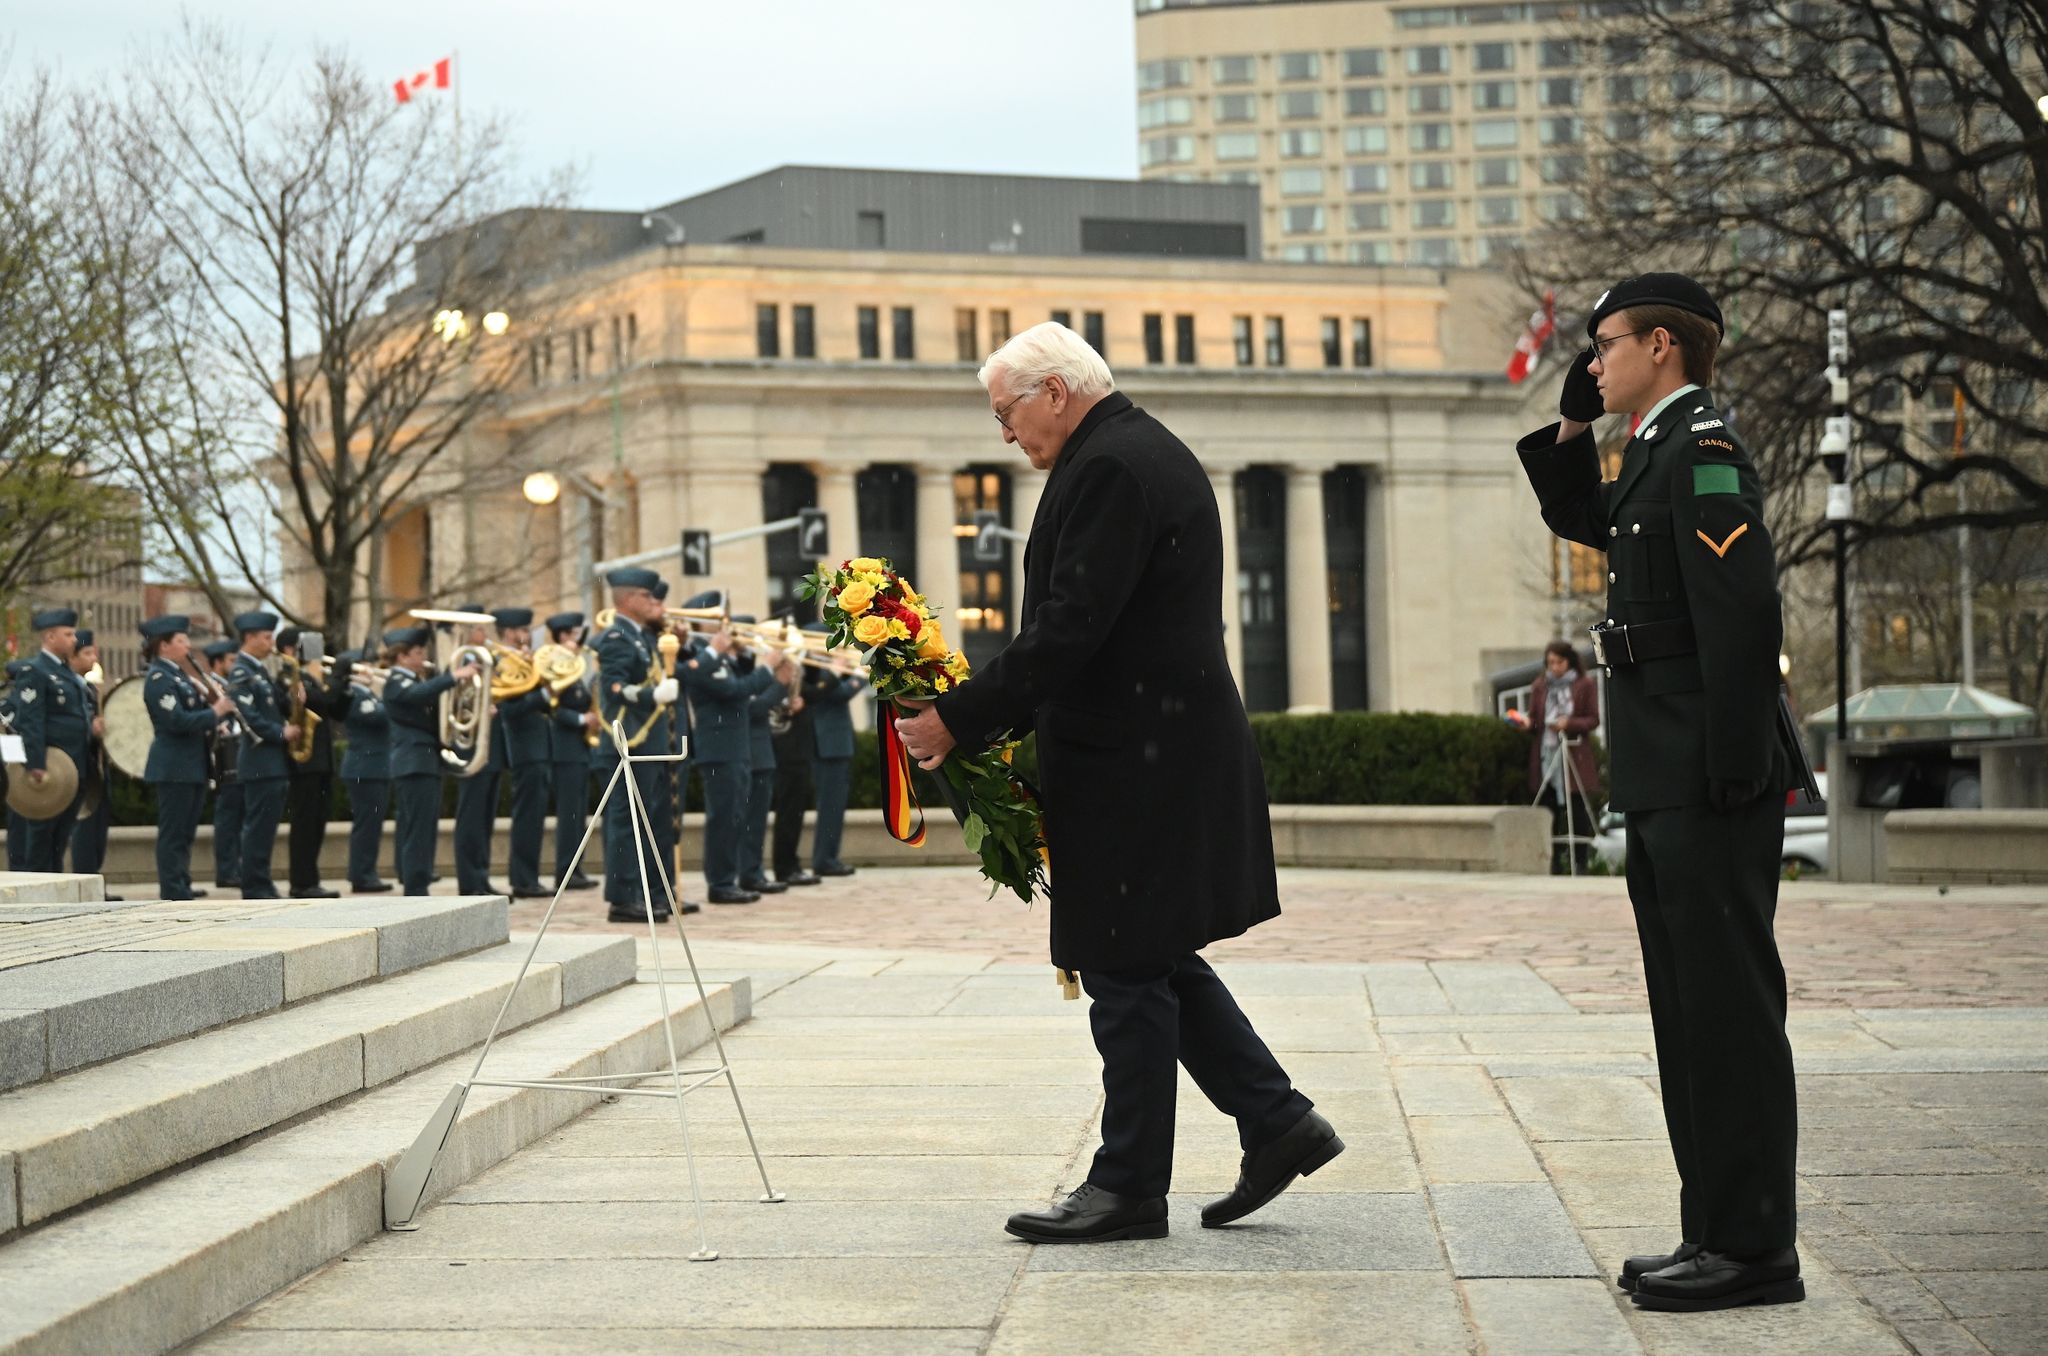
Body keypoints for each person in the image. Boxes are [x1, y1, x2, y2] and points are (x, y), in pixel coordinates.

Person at [895, 322, 1340, 1243]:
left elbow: (1070, 627)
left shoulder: (1109, 467)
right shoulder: (1133, 451)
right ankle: (1277, 1121)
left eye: (1007, 413)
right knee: (1150, 954)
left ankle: (1129, 1186)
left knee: (1125, 970)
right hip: (1155, 752)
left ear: (1055, 391)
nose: (1005, 435)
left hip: (1139, 763)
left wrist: (962, 717)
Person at [1516, 273, 1801, 1312]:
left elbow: (1740, 620)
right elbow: (1579, 512)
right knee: (1686, 1016)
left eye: (1606, 345)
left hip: (1706, 777)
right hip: (1667, 774)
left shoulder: (1706, 450)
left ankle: (1756, 1246)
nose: (1593, 362)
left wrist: (1733, 770)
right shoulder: (1650, 451)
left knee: (1726, 1015)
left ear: (1664, 347)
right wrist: (1569, 419)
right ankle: (1713, 1231)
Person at [594, 569, 682, 922]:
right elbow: (612, 688)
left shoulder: (641, 638)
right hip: (629, 742)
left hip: (650, 743)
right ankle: (623, 898)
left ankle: (650, 894)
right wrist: (651, 694)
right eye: (647, 596)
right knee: (627, 822)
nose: (653, 602)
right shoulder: (616, 637)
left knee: (652, 822)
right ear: (629, 599)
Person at [140, 615, 236, 900]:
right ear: (164, 646)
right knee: (174, 831)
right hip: (174, 765)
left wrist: (212, 721)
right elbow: (177, 721)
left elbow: (192, 717)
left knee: (186, 829)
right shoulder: (159, 678)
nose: (188, 646)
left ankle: (181, 879)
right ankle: (172, 887)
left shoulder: (180, 677)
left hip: (191, 763)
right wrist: (215, 713)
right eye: (181, 641)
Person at [382, 626, 479, 895]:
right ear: (402, 657)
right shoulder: (396, 682)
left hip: (424, 762)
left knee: (424, 829)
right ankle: (415, 888)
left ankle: (419, 882)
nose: (424, 656)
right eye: (418, 652)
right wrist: (452, 676)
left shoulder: (417, 681)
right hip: (413, 763)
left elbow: (436, 709)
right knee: (418, 831)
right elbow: (417, 696)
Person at [682, 608, 769, 906]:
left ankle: (726, 880)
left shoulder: (719, 658)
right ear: (700, 625)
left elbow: (740, 677)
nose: (725, 627)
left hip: (735, 747)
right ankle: (719, 883)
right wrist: (768, 669)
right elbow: (735, 690)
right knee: (723, 817)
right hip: (718, 749)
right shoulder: (700, 658)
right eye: (716, 622)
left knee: (734, 816)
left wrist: (744, 654)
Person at [11, 608, 93, 873]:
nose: (74, 639)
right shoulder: (35, 671)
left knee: (59, 840)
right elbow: (31, 721)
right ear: (50, 636)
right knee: (41, 841)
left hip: (73, 768)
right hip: (50, 770)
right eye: (68, 634)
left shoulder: (67, 673)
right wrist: (36, 764)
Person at [226, 611, 298, 899]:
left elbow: (274, 705)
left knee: (266, 828)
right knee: (257, 827)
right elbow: (249, 716)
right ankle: (254, 885)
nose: (271, 643)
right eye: (267, 638)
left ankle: (262, 881)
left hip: (272, 763)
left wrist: (293, 695)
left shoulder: (260, 670)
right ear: (250, 638)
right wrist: (280, 732)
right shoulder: (242, 671)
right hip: (259, 761)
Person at [488, 608, 554, 899]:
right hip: (524, 748)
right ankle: (523, 879)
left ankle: (529, 876)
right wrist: (541, 695)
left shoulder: (524, 660)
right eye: (521, 630)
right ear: (508, 631)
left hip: (539, 746)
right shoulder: (503, 663)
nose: (526, 635)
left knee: (535, 815)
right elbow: (510, 709)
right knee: (527, 816)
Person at [733, 617, 796, 897]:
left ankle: (754, 870)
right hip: (748, 749)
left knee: (757, 820)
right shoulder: (737, 671)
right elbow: (753, 709)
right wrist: (779, 685)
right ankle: (748, 872)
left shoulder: (751, 670)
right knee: (748, 820)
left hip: (761, 750)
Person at [277, 627, 340, 899]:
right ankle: (301, 882)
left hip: (320, 760)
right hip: (303, 762)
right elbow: (319, 701)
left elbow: (335, 705)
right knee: (304, 823)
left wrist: (340, 680)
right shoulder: (288, 676)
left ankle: (311, 879)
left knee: (317, 821)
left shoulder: (314, 676)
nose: (317, 654)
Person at [1528, 641, 1602, 874]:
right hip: (1547, 753)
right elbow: (1535, 719)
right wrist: (1527, 723)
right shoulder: (1541, 685)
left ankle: (1580, 862)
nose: (1555, 667)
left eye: (1559, 662)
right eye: (1550, 662)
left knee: (1577, 809)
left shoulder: (1583, 684)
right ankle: (1553, 862)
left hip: (1573, 754)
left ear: (1569, 661)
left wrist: (1568, 723)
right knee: (1548, 809)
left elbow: (1593, 719)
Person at [803, 630, 866, 881]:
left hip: (835, 743)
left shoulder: (825, 670)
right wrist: (858, 675)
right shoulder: (816, 669)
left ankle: (829, 857)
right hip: (827, 745)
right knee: (829, 805)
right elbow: (840, 693)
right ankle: (824, 859)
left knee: (835, 805)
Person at [544, 612, 600, 891]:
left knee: (579, 814)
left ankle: (575, 869)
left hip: (578, 749)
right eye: (573, 635)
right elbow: (554, 708)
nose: (577, 642)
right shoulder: (556, 667)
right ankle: (565, 872)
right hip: (564, 750)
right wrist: (582, 720)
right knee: (569, 816)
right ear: (563, 636)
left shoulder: (574, 669)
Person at [449, 602, 498, 894]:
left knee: (484, 818)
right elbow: (457, 699)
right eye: (480, 628)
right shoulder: (462, 660)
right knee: (471, 817)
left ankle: (481, 876)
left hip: (489, 746)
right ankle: (469, 881)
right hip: (469, 745)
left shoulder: (485, 658)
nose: (484, 633)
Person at [338, 647, 394, 893]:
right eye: (364, 666)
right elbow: (381, 716)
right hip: (364, 768)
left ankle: (366, 872)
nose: (370, 670)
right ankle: (361, 875)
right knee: (366, 824)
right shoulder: (353, 696)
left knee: (373, 824)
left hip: (375, 768)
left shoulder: (369, 695)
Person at [65, 629, 116, 894]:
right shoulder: (70, 686)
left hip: (95, 768)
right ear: (72, 657)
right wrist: (90, 728)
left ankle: (96, 883)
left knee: (97, 833)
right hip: (78, 768)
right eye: (87, 653)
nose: (93, 658)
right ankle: (86, 886)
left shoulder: (87, 688)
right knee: (84, 833)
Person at [769, 644, 821, 888]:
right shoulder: (774, 681)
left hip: (799, 752)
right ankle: (785, 867)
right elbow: (772, 712)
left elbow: (815, 691)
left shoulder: (797, 681)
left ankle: (791, 864)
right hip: (787, 753)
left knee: (795, 812)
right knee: (788, 812)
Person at [203, 639, 244, 888]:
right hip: (223, 758)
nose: (235, 664)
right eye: (230, 660)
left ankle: (234, 867)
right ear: (218, 662)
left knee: (237, 815)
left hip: (237, 753)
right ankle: (226, 870)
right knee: (228, 817)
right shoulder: (211, 687)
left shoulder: (229, 686)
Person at [2, 658, 36, 872]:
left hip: (28, 770)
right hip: (14, 771)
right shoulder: (8, 707)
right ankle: (19, 867)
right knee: (19, 825)